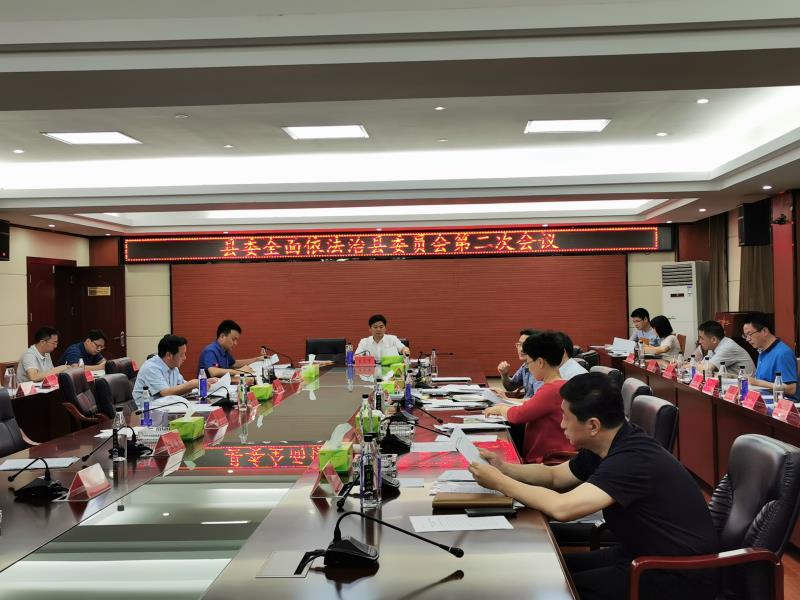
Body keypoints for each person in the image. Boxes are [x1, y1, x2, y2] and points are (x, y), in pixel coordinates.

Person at [470, 373, 719, 600]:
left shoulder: (631, 459)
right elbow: (554, 476)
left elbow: (563, 508)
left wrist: (499, 482)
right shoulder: (607, 442)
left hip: (676, 574)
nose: (561, 424)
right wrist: (504, 468)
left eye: (566, 417)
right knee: (546, 570)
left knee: (552, 587)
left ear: (593, 425)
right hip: (640, 553)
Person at [484, 331, 574, 463]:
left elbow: (519, 415)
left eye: (528, 362)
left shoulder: (552, 389)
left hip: (548, 460)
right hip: (544, 455)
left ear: (540, 362)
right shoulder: (558, 385)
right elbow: (531, 406)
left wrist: (500, 409)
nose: (528, 367)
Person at [133, 334, 215, 406]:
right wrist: (192, 384)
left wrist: (203, 382)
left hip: (166, 408)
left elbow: (182, 386)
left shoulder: (172, 366)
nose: (185, 358)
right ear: (169, 355)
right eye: (181, 355)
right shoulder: (151, 368)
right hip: (146, 413)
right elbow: (165, 393)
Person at [742, 312, 797, 398]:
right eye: (745, 336)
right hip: (763, 398)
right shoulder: (762, 350)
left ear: (764, 331)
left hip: (782, 403)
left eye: (749, 334)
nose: (747, 339)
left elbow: (791, 389)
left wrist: (757, 382)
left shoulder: (783, 353)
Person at [198, 320, 266, 378]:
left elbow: (234, 363)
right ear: (222, 336)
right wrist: (240, 371)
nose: (235, 343)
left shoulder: (225, 351)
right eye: (233, 339)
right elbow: (213, 372)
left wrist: (257, 359)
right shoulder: (210, 351)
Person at [497, 328, 542, 398]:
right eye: (520, 344)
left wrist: (506, 399)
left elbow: (538, 400)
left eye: (526, 345)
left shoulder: (541, 368)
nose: (521, 349)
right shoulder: (526, 365)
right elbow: (511, 387)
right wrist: (504, 375)